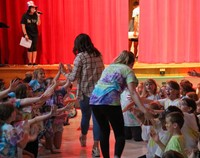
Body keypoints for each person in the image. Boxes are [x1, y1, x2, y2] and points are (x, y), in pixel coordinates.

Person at [89, 50, 152, 158]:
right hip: (110, 102)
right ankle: (116, 156)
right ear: (131, 62)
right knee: (119, 134)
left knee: (104, 131)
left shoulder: (109, 67)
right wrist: (144, 110)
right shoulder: (127, 70)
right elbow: (133, 92)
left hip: (94, 101)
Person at [60, 33, 105, 157]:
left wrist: (64, 71)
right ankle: (96, 148)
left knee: (85, 115)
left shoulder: (80, 57)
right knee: (97, 121)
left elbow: (74, 78)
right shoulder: (98, 54)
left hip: (85, 92)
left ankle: (83, 136)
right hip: (99, 92)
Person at [21, 1, 41, 65]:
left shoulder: (36, 15)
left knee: (34, 47)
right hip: (28, 33)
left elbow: (38, 24)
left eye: (34, 8)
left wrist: (38, 16)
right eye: (32, 8)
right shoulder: (25, 16)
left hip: (35, 33)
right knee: (29, 47)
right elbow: (23, 25)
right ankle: (30, 62)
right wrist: (25, 34)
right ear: (29, 8)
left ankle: (34, 62)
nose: (34, 9)